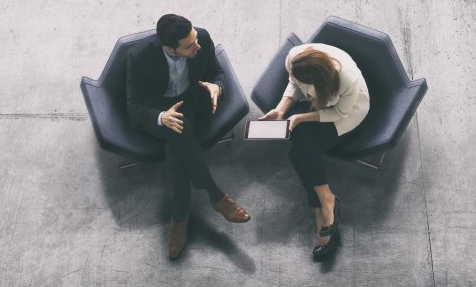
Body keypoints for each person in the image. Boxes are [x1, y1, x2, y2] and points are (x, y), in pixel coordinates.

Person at [126, 14, 250, 260]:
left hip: (188, 101)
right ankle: (216, 197)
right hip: (157, 110)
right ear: (169, 48)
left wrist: (217, 86)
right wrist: (161, 117)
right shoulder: (139, 57)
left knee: (177, 148)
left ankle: (180, 219)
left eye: (195, 40)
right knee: (177, 132)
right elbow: (133, 105)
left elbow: (217, 71)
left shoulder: (201, 37)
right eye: (190, 45)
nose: (198, 46)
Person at [260, 43, 370, 259]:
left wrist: (301, 116)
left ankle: (320, 204)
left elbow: (339, 111)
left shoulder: (348, 80)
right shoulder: (294, 57)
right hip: (319, 104)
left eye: (307, 85)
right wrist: (281, 109)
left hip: (346, 112)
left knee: (298, 149)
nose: (303, 87)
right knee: (299, 144)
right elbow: (293, 81)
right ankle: (326, 199)